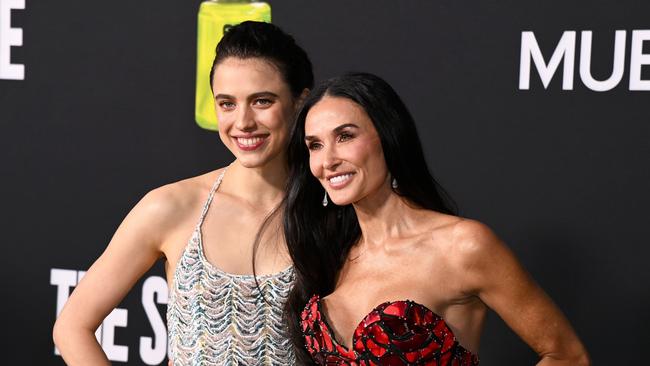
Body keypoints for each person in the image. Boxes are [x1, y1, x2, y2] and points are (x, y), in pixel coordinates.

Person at [281, 72, 590, 365]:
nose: (328, 161)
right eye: (315, 145)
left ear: (388, 137)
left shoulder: (463, 245)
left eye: (345, 136)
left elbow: (567, 355)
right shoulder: (330, 251)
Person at [52, 21, 313, 365]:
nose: (243, 121)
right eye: (227, 104)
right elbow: (72, 326)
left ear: (300, 101)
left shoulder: (331, 210)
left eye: (262, 101)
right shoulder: (173, 207)